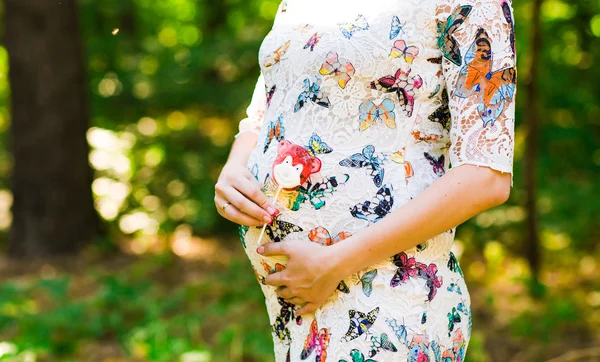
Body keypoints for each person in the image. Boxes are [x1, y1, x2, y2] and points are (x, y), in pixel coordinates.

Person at [215, 0, 517, 360]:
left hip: (387, 293)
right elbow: (267, 106)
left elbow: (487, 176)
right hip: (296, 307)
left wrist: (336, 262)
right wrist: (236, 165)